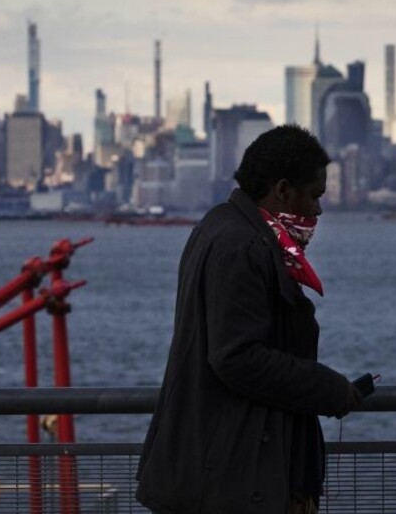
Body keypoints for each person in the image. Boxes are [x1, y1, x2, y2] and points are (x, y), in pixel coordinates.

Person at [136, 125, 363, 514]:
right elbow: (236, 356)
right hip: (236, 481)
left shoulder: (221, 227)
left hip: (222, 469)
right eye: (314, 195)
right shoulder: (243, 246)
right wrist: (328, 388)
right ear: (283, 190)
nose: (318, 210)